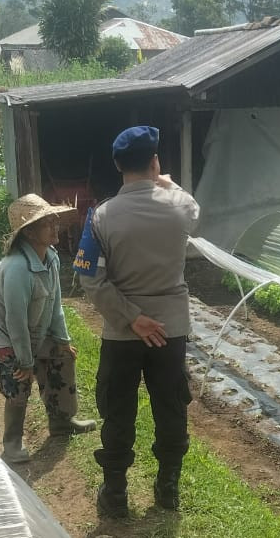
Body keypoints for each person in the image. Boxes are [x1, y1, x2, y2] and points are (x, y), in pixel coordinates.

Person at [77, 125, 200, 516]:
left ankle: (115, 494)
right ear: (154, 162)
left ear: (117, 164)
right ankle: (168, 489)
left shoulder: (101, 217)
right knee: (170, 407)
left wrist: (132, 318)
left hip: (122, 333)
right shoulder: (182, 206)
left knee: (117, 408)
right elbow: (188, 202)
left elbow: (89, 277)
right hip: (171, 330)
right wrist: (167, 183)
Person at [0, 194, 96, 464]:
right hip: (0, 331)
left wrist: (62, 339)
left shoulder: (50, 258)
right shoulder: (17, 268)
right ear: (28, 232)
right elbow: (14, 322)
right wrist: (26, 362)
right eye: (47, 223)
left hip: (29, 326)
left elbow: (54, 304)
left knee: (63, 356)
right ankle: (12, 443)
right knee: (18, 378)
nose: (55, 227)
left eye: (54, 221)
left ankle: (63, 421)